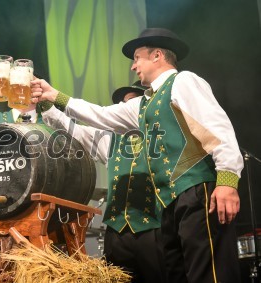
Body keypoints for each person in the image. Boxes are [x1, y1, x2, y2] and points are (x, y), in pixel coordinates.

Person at [33, 28, 243, 283]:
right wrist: (53, 97)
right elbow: (101, 115)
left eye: (137, 58)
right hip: (172, 201)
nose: (133, 66)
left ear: (157, 55)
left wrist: (227, 179)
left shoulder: (183, 81)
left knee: (209, 272)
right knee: (180, 273)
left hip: (197, 188)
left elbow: (216, 126)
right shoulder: (143, 104)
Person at [38, 82, 166, 282]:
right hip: (117, 231)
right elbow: (72, 129)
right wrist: (45, 103)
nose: (126, 109)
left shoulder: (164, 135)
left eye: (132, 103)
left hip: (156, 228)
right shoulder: (109, 139)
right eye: (122, 105)